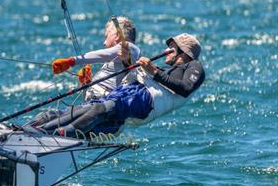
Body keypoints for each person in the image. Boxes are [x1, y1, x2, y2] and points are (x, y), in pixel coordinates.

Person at [29, 33, 205, 136]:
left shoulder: (195, 66)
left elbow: (185, 89)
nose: (166, 51)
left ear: (183, 52)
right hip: (132, 92)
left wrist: (154, 71)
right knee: (80, 109)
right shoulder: (168, 69)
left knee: (101, 108)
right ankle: (33, 131)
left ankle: (57, 134)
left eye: (172, 48)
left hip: (146, 102)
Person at [51, 16, 140, 100]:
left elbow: (102, 55)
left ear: (117, 35)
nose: (104, 43)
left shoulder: (131, 48)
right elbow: (86, 97)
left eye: (106, 36)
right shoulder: (115, 60)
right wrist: (85, 83)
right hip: (94, 103)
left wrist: (71, 61)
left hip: (106, 104)